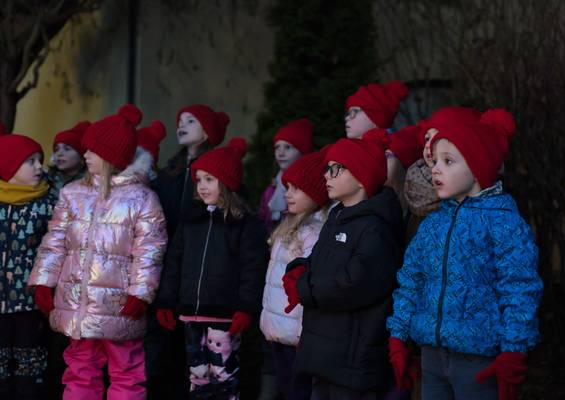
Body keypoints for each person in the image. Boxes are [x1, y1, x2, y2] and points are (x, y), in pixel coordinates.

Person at [387, 109, 543, 400]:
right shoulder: (433, 223)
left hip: (477, 360)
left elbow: (519, 288)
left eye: (448, 161)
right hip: (431, 357)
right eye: (435, 161)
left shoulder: (503, 222)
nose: (435, 169)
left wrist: (514, 349)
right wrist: (398, 335)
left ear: (477, 167)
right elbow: (411, 281)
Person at [28, 104, 168, 400]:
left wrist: (140, 294)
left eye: (92, 150)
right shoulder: (72, 193)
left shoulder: (142, 199)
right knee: (80, 370)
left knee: (126, 372)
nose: (86, 155)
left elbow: (150, 252)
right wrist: (43, 281)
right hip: (77, 304)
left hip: (119, 306)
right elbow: (55, 241)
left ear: (111, 157)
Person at [283, 129, 403, 400]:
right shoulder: (337, 217)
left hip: (350, 359)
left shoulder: (375, 227)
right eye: (328, 168)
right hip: (323, 352)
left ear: (361, 178)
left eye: (337, 169)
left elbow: (353, 284)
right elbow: (320, 263)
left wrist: (305, 287)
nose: (327, 175)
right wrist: (299, 269)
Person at [155, 137, 268, 400]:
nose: (202, 186)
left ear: (226, 183)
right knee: (198, 375)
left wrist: (245, 307)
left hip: (224, 315)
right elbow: (174, 262)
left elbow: (252, 269)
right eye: (199, 180)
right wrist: (166, 301)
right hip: (191, 313)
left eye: (210, 179)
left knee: (224, 375)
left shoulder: (243, 224)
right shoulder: (190, 220)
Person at [260, 149, 330, 400]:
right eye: (287, 187)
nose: (287, 193)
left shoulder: (316, 233)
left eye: (296, 189)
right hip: (278, 331)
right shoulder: (288, 226)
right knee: (285, 388)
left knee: (298, 391)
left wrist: (303, 332)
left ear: (316, 193)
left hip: (296, 336)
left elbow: (307, 288)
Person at [0, 124, 56, 400]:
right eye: (30, 161)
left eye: (39, 160)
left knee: (30, 364)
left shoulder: (49, 203)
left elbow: (57, 247)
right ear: (9, 167)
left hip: (30, 301)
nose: (38, 167)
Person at [259, 118, 314, 232]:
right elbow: (262, 222)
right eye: (277, 147)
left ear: (302, 152)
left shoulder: (310, 190)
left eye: (287, 147)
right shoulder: (271, 190)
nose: (280, 153)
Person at [47, 121, 90, 198]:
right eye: (56, 149)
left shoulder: (89, 182)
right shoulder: (47, 179)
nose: (59, 154)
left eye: (67, 149)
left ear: (81, 156)